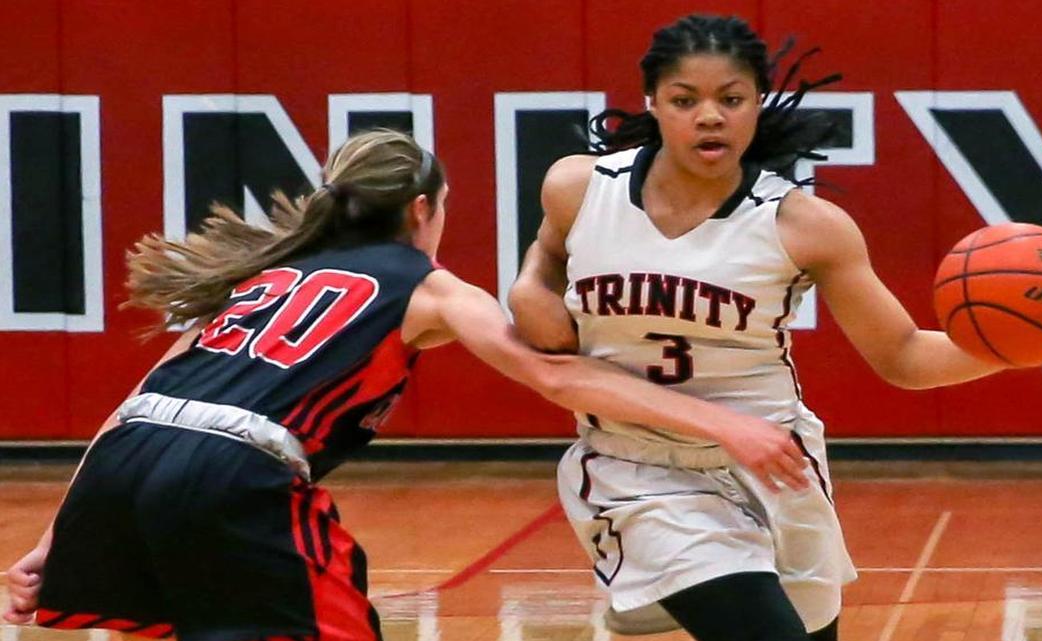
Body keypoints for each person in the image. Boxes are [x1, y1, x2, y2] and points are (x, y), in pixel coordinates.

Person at [2, 128, 816, 641]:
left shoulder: (263, 276)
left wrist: (56, 535)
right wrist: (725, 423)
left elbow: (139, 404)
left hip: (127, 469)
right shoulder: (428, 286)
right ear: (423, 209)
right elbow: (555, 373)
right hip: (235, 474)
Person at [508, 14, 1042, 641]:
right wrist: (529, 288)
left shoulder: (804, 225)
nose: (710, 117)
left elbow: (901, 354)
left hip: (775, 463)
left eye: (731, 99)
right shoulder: (579, 188)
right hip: (639, 469)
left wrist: (1008, 349)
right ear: (652, 101)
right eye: (684, 101)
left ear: (757, 104)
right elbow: (547, 254)